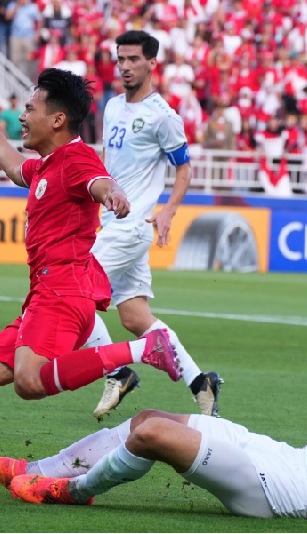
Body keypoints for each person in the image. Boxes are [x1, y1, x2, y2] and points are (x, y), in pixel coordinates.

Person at [0, 67, 182, 502]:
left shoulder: (76, 159)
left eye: (30, 108)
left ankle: (143, 349)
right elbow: (17, 169)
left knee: (28, 382)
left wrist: (112, 194)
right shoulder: (48, 165)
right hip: (42, 297)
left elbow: (98, 181)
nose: (23, 115)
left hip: (64, 292)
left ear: (57, 120)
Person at [0, 356, 307, 533]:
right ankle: (37, 466)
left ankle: (69, 491)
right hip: (281, 455)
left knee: (152, 436)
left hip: (285, 492)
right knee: (147, 415)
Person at [87, 30, 223, 421]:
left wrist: (169, 210)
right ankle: (202, 383)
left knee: (75, 297)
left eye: (133, 60)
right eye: (121, 59)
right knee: (133, 317)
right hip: (111, 222)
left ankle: (118, 372)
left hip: (131, 227)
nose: (125, 66)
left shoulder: (163, 116)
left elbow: (184, 168)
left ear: (151, 63)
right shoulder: (112, 107)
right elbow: (109, 165)